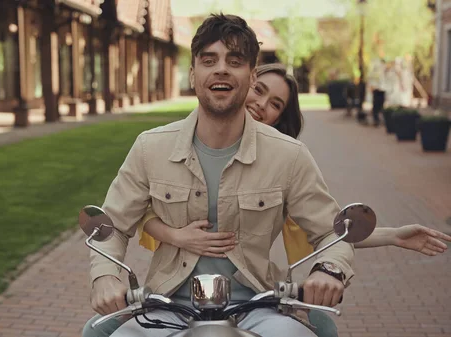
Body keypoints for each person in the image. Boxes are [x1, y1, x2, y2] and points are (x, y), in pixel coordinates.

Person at [82, 63, 451, 337]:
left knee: (320, 326)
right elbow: (126, 218)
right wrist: (161, 246)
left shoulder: (285, 164)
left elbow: (330, 228)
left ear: (279, 118)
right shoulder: (161, 147)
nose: (261, 105)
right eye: (259, 91)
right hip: (169, 297)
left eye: (275, 104)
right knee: (95, 331)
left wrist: (380, 243)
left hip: (255, 298)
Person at [87, 14, 354, 337]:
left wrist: (328, 270)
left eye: (235, 60)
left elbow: (332, 232)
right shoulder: (150, 147)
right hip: (166, 306)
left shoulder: (289, 155)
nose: (221, 69)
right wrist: (105, 276)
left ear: (251, 74)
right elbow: (111, 226)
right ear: (193, 73)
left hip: (257, 307)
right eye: (208, 60)